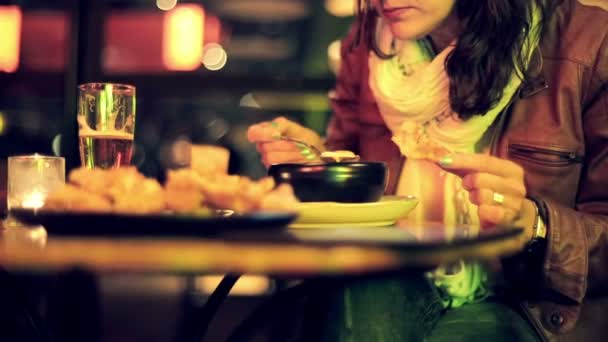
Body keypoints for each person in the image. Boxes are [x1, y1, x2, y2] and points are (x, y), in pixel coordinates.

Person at [248, 0, 608, 341]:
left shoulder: (589, 42)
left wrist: (535, 224)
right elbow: (356, 203)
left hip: (532, 305)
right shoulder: (368, 46)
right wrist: (319, 166)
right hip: (397, 273)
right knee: (355, 301)